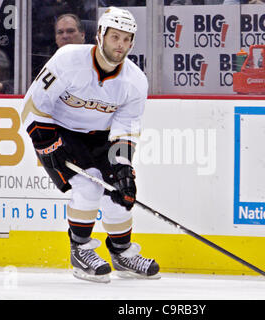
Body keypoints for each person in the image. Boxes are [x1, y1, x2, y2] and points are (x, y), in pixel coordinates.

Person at [21, 7, 160, 283]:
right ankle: (80, 250)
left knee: (119, 192)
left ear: (132, 43)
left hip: (100, 136)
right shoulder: (67, 60)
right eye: (114, 37)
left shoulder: (135, 81)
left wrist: (123, 168)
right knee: (89, 183)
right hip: (57, 130)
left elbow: (125, 128)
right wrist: (49, 146)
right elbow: (33, 106)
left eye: (126, 39)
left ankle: (122, 253)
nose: (120, 45)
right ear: (100, 35)